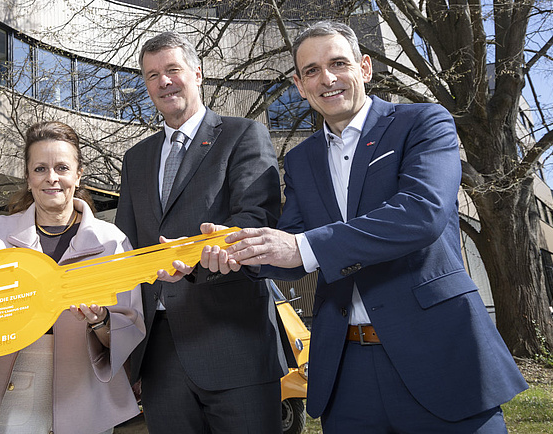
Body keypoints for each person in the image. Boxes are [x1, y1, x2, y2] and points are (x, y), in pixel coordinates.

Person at [205, 21, 528, 432]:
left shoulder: (422, 122)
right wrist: (232, 252)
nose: (327, 78)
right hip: (346, 369)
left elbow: (420, 213)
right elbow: (290, 249)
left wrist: (303, 248)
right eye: (311, 71)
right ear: (300, 86)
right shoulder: (302, 160)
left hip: (437, 354)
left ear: (365, 68)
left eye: (338, 63)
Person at [115, 31, 287, 434]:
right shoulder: (135, 159)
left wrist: (198, 252)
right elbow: (125, 247)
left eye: (173, 70)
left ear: (198, 73)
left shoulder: (242, 134)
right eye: (152, 75)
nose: (164, 82)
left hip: (234, 343)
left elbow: (257, 219)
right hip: (159, 354)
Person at [0, 121, 145, 434]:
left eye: (62, 167)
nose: (52, 178)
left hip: (86, 393)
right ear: (28, 177)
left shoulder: (112, 242)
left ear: (78, 174)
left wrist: (99, 319)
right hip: (6, 389)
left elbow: (129, 328)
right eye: (40, 168)